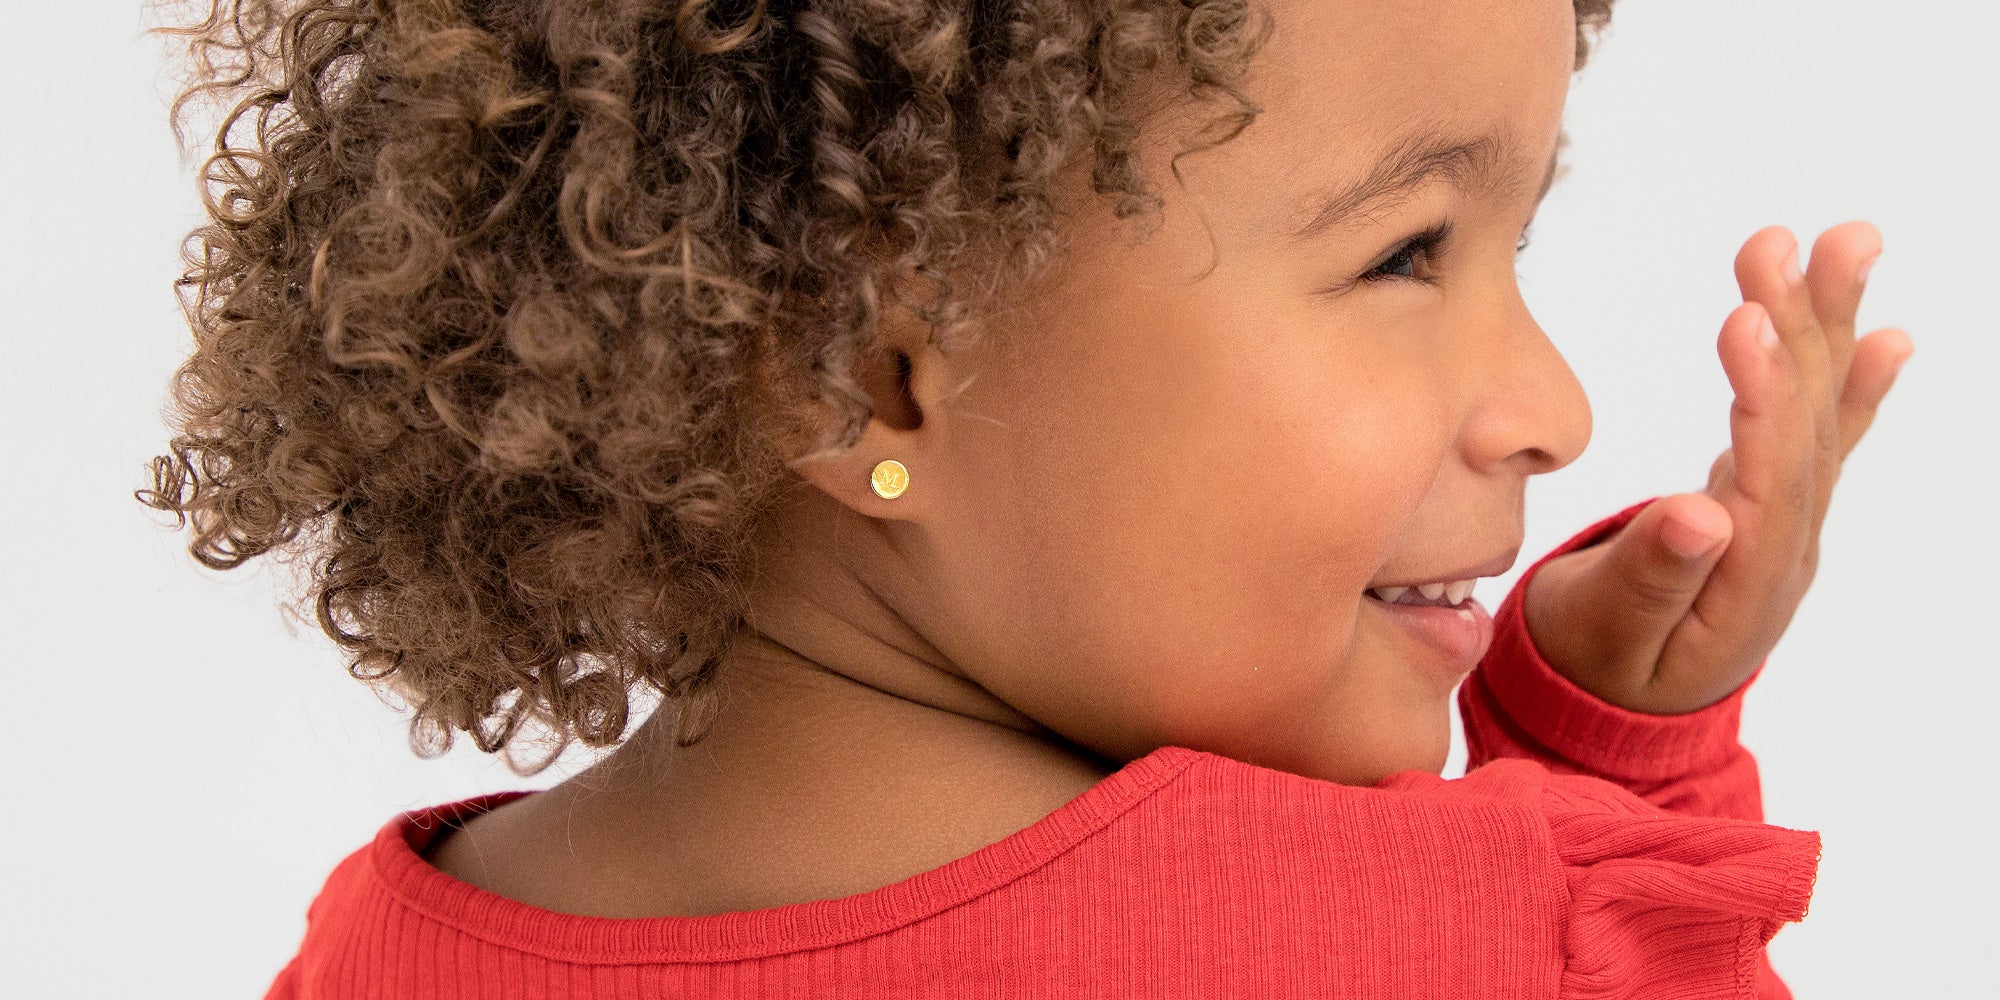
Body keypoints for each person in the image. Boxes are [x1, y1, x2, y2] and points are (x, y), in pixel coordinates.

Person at [139, 0, 1911, 995]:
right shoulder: (1421, 946)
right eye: (1407, 254)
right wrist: (1611, 759)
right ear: (868, 378)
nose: (1553, 409)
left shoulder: (367, 955)